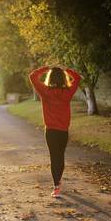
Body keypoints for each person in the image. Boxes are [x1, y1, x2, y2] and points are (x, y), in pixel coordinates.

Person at [29, 65, 81, 198]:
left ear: (50, 77)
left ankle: (56, 186)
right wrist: (66, 69)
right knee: (60, 156)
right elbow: (77, 77)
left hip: (51, 131)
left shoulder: (45, 91)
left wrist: (46, 68)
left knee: (54, 157)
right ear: (64, 78)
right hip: (63, 131)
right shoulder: (68, 92)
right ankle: (58, 182)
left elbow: (32, 76)